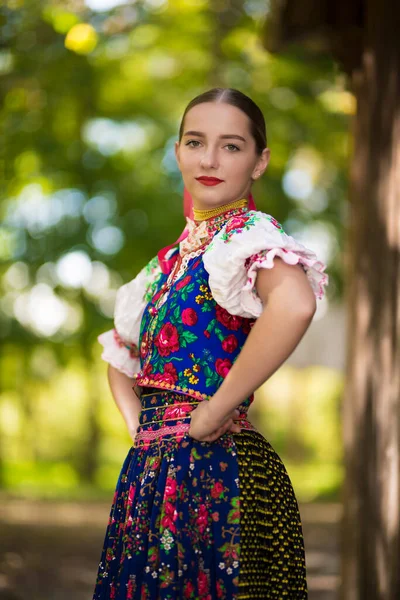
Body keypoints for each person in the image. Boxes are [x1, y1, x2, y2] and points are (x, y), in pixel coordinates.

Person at [92, 87, 329, 600]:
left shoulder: (249, 238)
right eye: (196, 142)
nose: (210, 159)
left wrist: (214, 409)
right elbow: (119, 355)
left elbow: (295, 305)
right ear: (177, 151)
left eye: (232, 146)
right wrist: (139, 426)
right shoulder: (167, 263)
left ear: (259, 161)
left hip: (218, 471)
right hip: (151, 478)